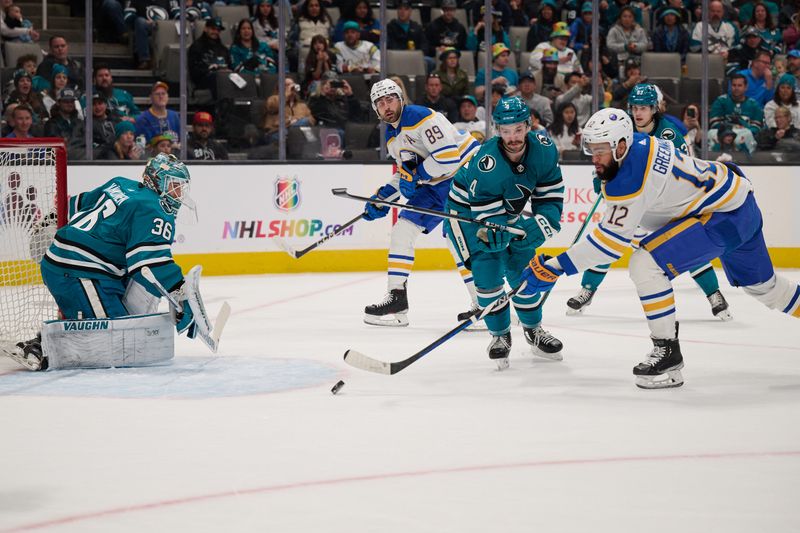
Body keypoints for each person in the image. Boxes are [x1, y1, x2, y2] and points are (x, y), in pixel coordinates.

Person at [520, 107, 800, 389]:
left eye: (601, 150)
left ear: (621, 145)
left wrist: (554, 267)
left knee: (646, 264)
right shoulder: (640, 145)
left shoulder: (630, 177)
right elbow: (645, 213)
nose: (595, 159)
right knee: (768, 288)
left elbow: (608, 245)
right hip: (738, 205)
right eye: (592, 150)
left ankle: (667, 350)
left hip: (722, 217)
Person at [11, 154, 200, 371]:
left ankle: (63, 327)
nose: (178, 194)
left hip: (80, 264)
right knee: (114, 342)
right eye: (173, 185)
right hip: (79, 270)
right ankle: (40, 346)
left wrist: (50, 219)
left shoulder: (120, 183)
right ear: (155, 181)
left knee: (125, 323)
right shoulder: (154, 210)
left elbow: (76, 204)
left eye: (181, 187)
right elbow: (150, 262)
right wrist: (180, 294)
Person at [567, 84, 732, 320]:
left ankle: (714, 294)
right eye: (634, 107)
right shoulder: (622, 128)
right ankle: (587, 290)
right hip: (634, 202)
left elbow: (684, 170)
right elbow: (607, 157)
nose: (638, 113)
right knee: (609, 243)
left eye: (643, 107)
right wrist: (602, 180)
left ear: (654, 108)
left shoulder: (670, 135)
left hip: (664, 205)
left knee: (684, 247)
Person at [445, 96, 565, 369]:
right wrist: (500, 232)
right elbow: (487, 218)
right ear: (497, 129)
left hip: (504, 213)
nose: (512, 137)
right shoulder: (486, 162)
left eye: (518, 130)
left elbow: (550, 196)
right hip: (466, 215)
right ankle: (499, 335)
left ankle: (533, 329)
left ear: (528, 126)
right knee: (488, 268)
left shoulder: (544, 149)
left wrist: (544, 223)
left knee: (523, 267)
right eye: (506, 131)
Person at [361, 79, 481, 327]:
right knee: (402, 230)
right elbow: (405, 174)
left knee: (456, 237)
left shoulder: (420, 117)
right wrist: (383, 197)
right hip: (437, 183)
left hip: (466, 173)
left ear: (400, 99)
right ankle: (397, 299)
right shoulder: (393, 137)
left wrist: (416, 176)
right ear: (376, 109)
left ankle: (483, 303)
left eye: (390, 99)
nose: (387, 106)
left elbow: (448, 159)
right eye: (380, 103)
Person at [709, 73, 763, 154]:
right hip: (723, 133)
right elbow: (714, 123)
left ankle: (748, 161)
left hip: (744, 133)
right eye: (734, 85)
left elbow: (757, 127)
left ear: (746, 87)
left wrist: (743, 128)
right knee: (710, 133)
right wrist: (728, 131)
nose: (736, 88)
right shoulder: (721, 101)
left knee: (747, 135)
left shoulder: (753, 104)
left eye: (739, 85)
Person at [188, 17, 231, 99]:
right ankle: (221, 107)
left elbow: (230, 66)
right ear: (205, 29)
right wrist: (209, 69)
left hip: (224, 77)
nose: (215, 32)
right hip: (203, 79)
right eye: (213, 29)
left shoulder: (223, 49)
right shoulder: (196, 47)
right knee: (218, 78)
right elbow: (194, 71)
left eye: (218, 30)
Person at [262, 76, 315, 143]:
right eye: (287, 85)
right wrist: (286, 94)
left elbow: (311, 120)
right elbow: (272, 107)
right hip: (277, 132)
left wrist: (296, 120)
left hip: (297, 134)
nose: (291, 87)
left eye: (293, 84)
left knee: (305, 123)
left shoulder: (302, 105)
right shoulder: (273, 99)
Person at [44, 88, 86, 159]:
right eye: (66, 101)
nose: (69, 104)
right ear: (58, 103)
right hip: (63, 160)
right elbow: (56, 147)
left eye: (71, 101)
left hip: (82, 158)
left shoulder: (79, 122)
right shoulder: (52, 124)